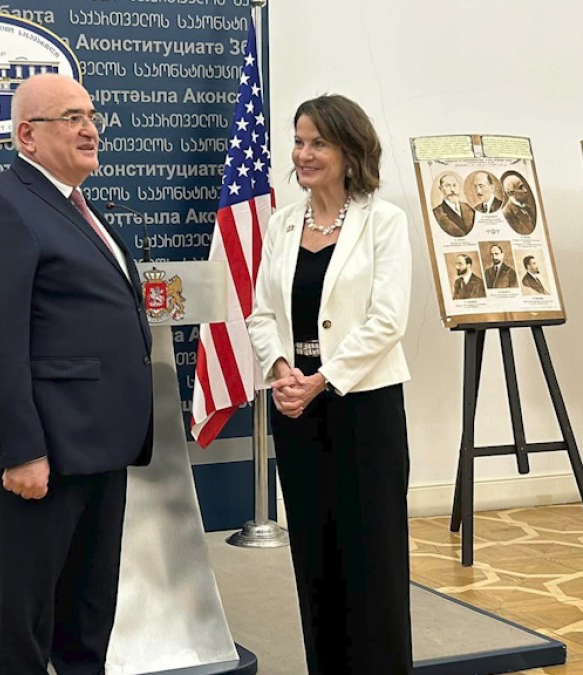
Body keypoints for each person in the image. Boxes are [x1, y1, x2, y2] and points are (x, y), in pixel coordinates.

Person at [0, 73, 153, 675]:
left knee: (88, 617)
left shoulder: (82, 209)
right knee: (29, 625)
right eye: (71, 118)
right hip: (44, 455)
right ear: (27, 136)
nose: (90, 130)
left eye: (92, 116)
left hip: (101, 449)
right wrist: (22, 452)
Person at [247, 94, 414, 674]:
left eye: (318, 142)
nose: (304, 153)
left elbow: (388, 320)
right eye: (299, 141)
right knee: (315, 556)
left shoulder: (384, 221)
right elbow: (261, 314)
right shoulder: (282, 223)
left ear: (349, 151)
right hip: (296, 407)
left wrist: (323, 379)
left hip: (364, 407)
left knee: (373, 558)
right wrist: (281, 371)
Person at [432, 173, 476, 237]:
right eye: (447, 186)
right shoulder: (437, 213)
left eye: (454, 185)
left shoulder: (469, 209)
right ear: (440, 188)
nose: (452, 190)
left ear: (459, 187)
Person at [501, 171, 537, 235]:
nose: (525, 190)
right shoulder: (506, 214)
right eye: (521, 187)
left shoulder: (527, 208)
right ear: (511, 193)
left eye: (524, 186)